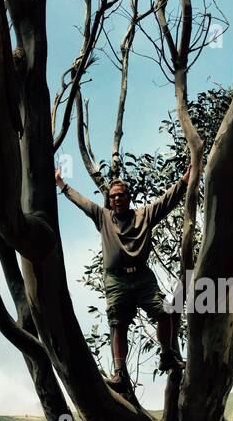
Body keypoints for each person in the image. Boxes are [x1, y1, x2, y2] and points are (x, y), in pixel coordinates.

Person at [55, 165, 192, 392]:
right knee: (118, 324)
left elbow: (167, 200)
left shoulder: (144, 215)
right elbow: (83, 202)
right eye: (113, 196)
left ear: (128, 197)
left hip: (142, 277)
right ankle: (120, 374)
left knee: (164, 312)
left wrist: (185, 180)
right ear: (109, 200)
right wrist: (62, 184)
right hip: (116, 280)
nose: (117, 198)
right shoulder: (103, 216)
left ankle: (167, 355)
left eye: (121, 195)